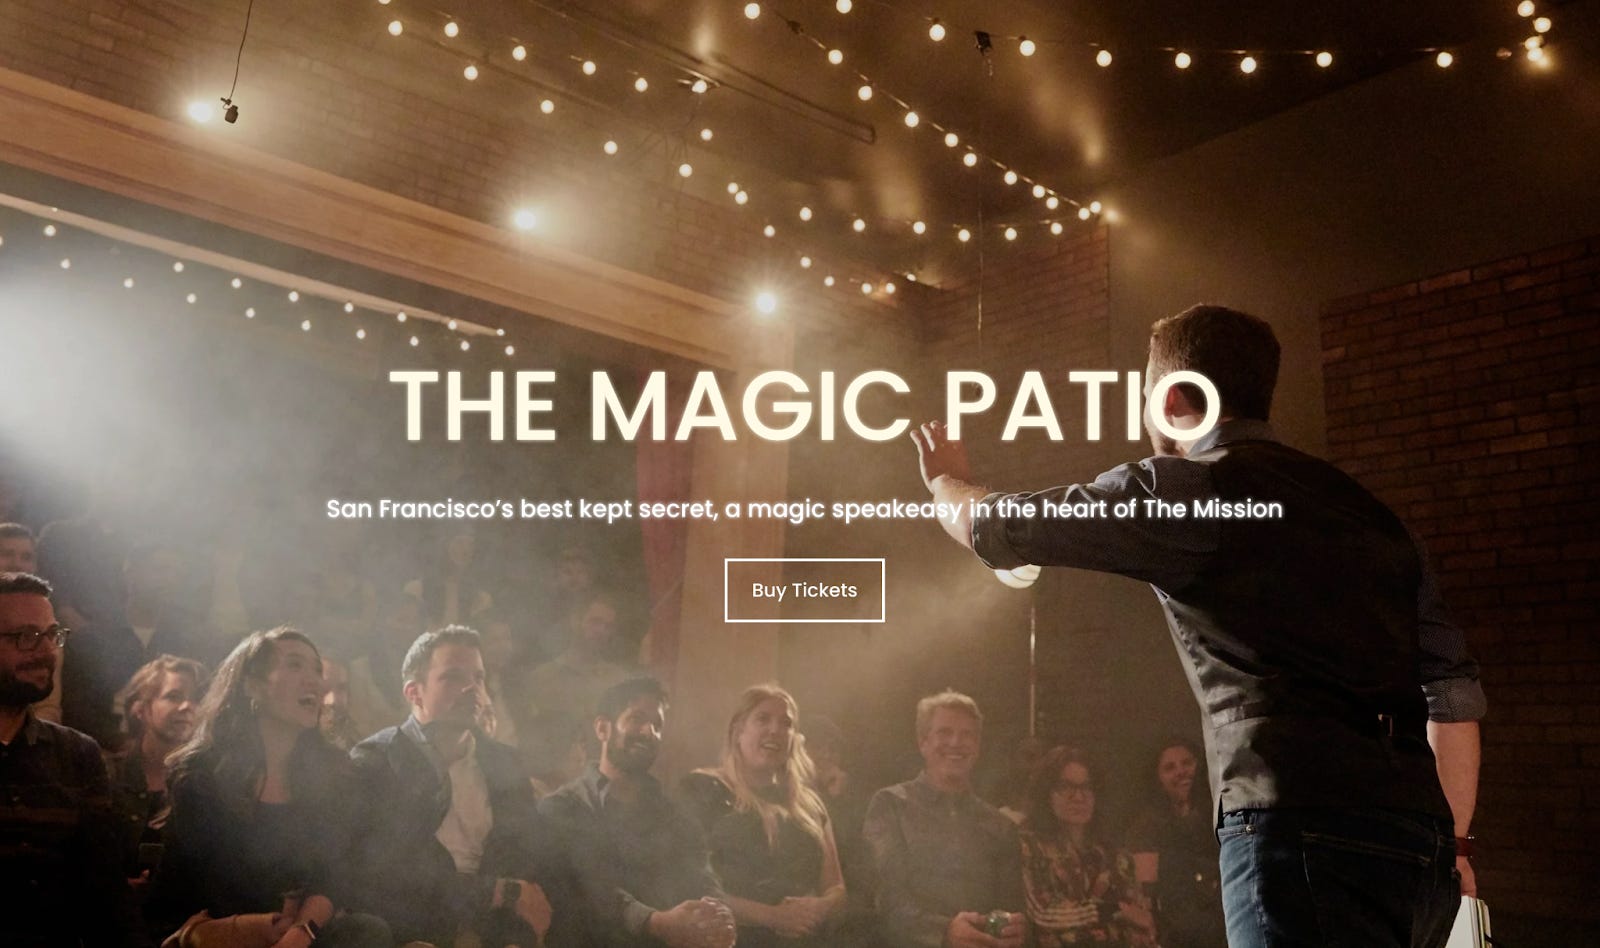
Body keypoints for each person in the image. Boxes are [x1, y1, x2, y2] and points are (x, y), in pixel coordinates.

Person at [911, 304, 1486, 948]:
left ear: (1173, 397)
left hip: (1296, 830)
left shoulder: (1190, 488)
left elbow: (997, 526)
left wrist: (945, 482)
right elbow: (1452, 694)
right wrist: (1456, 844)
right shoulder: (1380, 520)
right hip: (1420, 844)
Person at [150, 626, 391, 948]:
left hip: (297, 932)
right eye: (295, 665)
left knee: (368, 931)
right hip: (221, 931)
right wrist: (264, 927)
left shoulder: (332, 775)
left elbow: (332, 875)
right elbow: (195, 890)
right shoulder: (202, 778)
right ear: (252, 685)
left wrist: (300, 932)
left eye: (316, 671)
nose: (314, 681)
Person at [348, 625, 568, 947]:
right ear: (414, 692)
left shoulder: (505, 763)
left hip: (493, 928)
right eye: (453, 677)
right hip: (411, 928)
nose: (471, 689)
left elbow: (525, 858)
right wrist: (495, 891)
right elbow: (384, 873)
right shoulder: (377, 761)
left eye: (478, 678)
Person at [0, 571, 150, 948]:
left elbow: (106, 894)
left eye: (52, 635)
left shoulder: (76, 754)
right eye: (26, 636)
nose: (46, 651)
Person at [538, 676, 735, 948]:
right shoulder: (562, 807)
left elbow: (702, 876)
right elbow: (586, 887)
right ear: (602, 728)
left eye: (657, 725)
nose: (648, 732)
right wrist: (657, 922)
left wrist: (718, 916)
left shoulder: (674, 814)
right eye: (636, 719)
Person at [680, 684, 847, 948]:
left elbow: (836, 887)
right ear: (738, 730)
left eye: (785, 723)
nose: (775, 729)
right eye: (763, 719)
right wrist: (772, 916)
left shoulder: (809, 804)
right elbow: (687, 880)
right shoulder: (704, 790)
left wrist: (820, 907)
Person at [862, 690, 1026, 948]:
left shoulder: (1000, 825)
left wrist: (1017, 930)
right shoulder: (891, 805)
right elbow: (885, 896)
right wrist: (944, 932)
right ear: (923, 742)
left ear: (977, 747)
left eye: (967, 734)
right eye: (944, 732)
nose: (956, 742)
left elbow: (1011, 906)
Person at [62, 540, 200, 747]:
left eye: (176, 573)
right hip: (103, 750)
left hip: (171, 750)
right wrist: (115, 742)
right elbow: (76, 710)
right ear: (131, 573)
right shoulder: (91, 640)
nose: (169, 580)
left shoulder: (186, 640)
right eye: (160, 570)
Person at [1019, 747, 1154, 948]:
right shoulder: (1030, 846)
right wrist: (1115, 910)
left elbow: (1141, 920)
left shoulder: (1116, 855)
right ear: (1046, 793)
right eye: (1066, 787)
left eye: (1087, 787)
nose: (1079, 797)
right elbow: (1042, 913)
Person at [109, 654, 204, 883]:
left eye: (196, 699)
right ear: (140, 708)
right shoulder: (105, 774)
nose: (187, 707)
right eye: (173, 696)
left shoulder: (205, 783)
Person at [1125, 740, 1225, 948]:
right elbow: (1146, 893)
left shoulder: (1217, 816)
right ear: (1158, 778)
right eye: (1170, 768)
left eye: (1187, 763)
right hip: (1176, 935)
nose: (1181, 771)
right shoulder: (1148, 827)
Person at [1, 523, 62, 724]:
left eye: (26, 557)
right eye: (6, 554)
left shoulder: (48, 631)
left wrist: (21, 737)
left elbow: (48, 707)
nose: (17, 564)